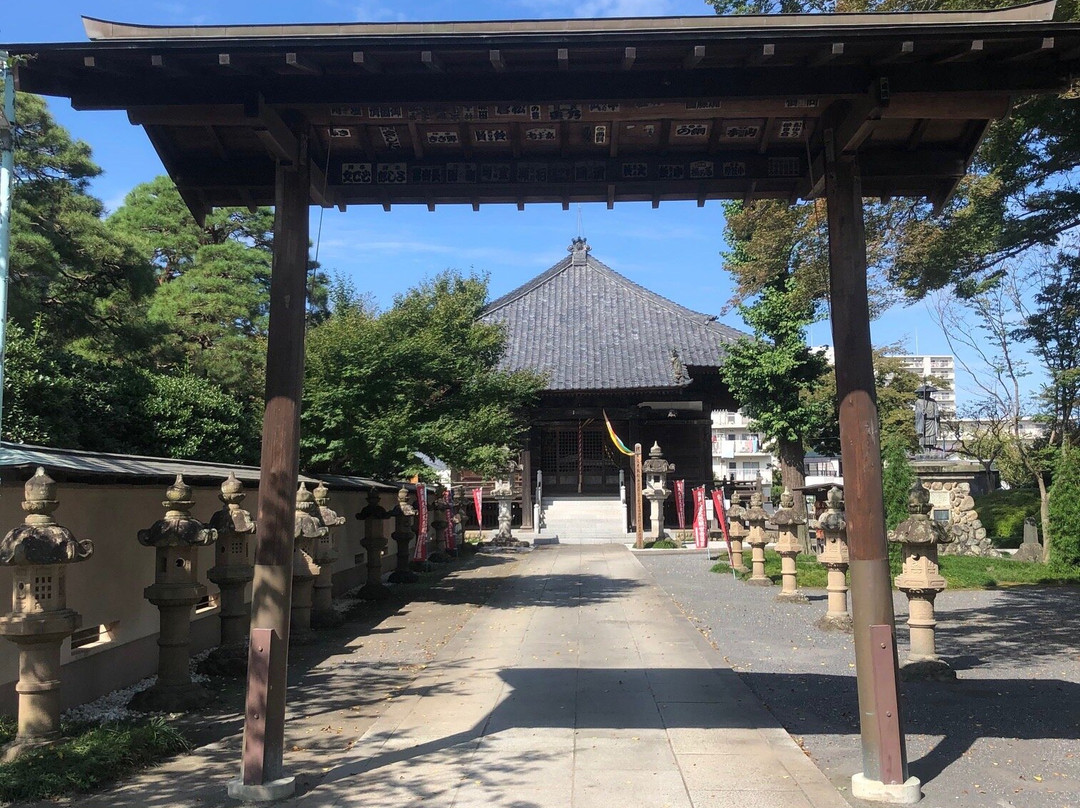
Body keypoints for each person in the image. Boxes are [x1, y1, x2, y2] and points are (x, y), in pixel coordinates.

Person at [914, 385, 940, 450]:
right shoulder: (919, 402)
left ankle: (932, 448)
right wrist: (921, 413)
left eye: (929, 393)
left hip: (932, 421)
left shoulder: (933, 401)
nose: (928, 394)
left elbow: (936, 410)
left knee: (932, 436)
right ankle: (925, 449)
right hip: (923, 422)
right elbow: (917, 412)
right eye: (926, 393)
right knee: (924, 436)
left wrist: (937, 414)